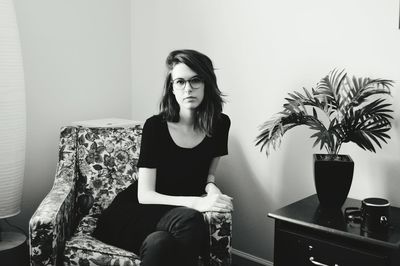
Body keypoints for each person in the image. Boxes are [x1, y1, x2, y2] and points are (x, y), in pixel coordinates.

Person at [93, 49, 232, 266]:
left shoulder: (221, 124)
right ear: (172, 88)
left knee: (160, 243)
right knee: (190, 219)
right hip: (136, 213)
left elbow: (209, 173)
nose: (188, 89)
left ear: (207, 83)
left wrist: (211, 187)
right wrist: (197, 203)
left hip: (174, 219)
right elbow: (145, 195)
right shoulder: (155, 126)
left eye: (196, 80)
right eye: (180, 82)